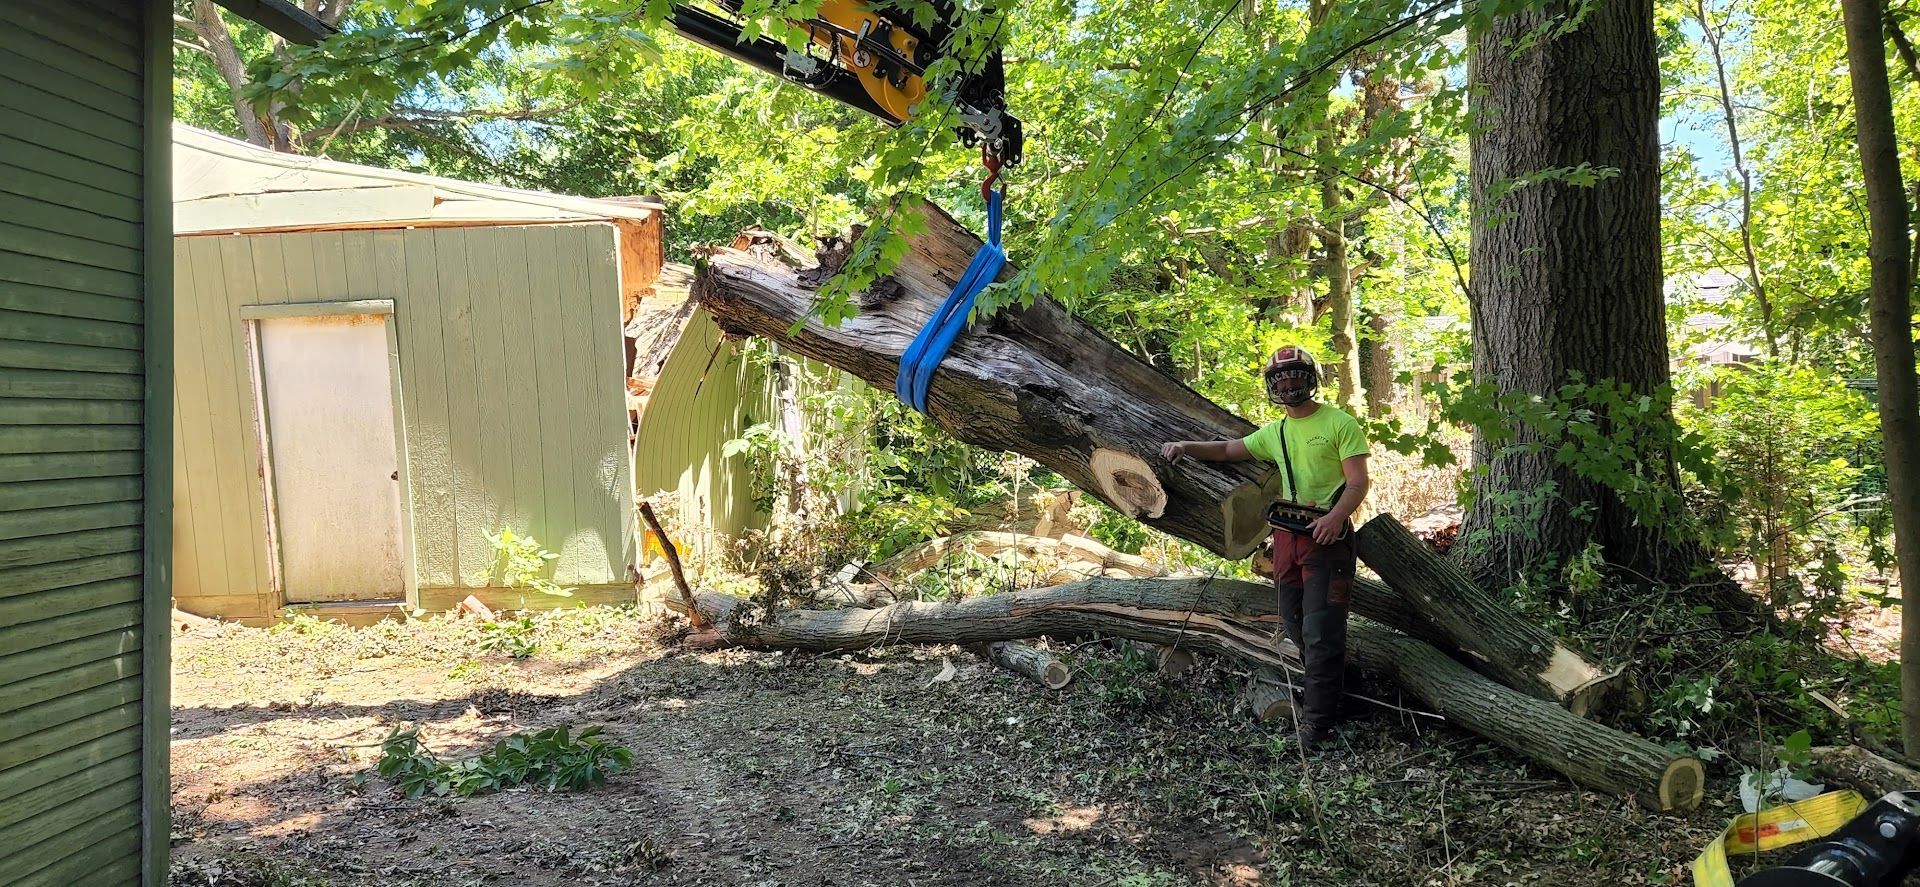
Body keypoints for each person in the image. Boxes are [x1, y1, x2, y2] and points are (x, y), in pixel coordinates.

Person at [1160, 345, 1371, 748]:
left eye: (1295, 376)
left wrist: (1335, 516)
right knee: (1294, 624)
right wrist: (1186, 446)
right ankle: (1347, 695)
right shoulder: (1275, 433)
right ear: (1272, 386)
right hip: (1286, 538)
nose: (1288, 384)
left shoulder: (1340, 424)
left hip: (1327, 539)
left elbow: (1359, 482)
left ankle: (1315, 724)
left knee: (1321, 631)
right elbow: (1227, 449)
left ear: (1310, 379)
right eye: (1280, 378)